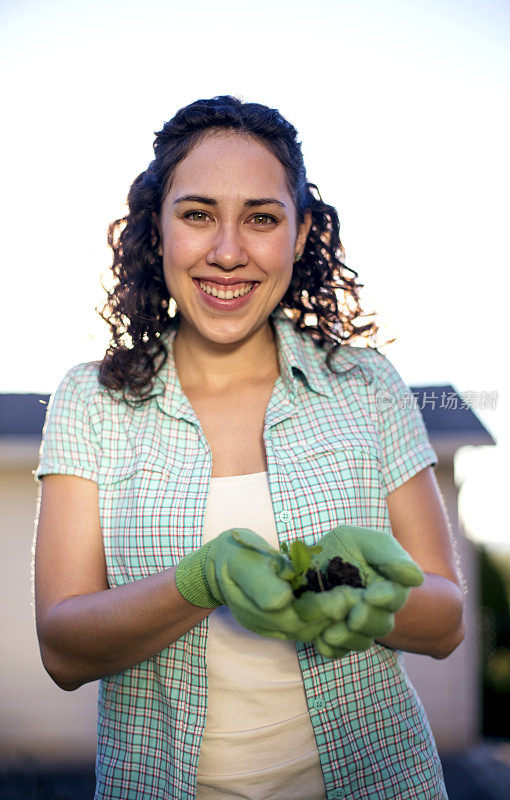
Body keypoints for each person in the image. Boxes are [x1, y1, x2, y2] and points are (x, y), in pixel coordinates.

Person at [34, 96, 464, 800]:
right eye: (198, 214)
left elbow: (444, 621)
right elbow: (62, 649)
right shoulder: (91, 402)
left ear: (297, 238)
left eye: (261, 218)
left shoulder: (367, 386)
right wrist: (198, 582)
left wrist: (368, 590)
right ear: (158, 230)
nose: (228, 250)